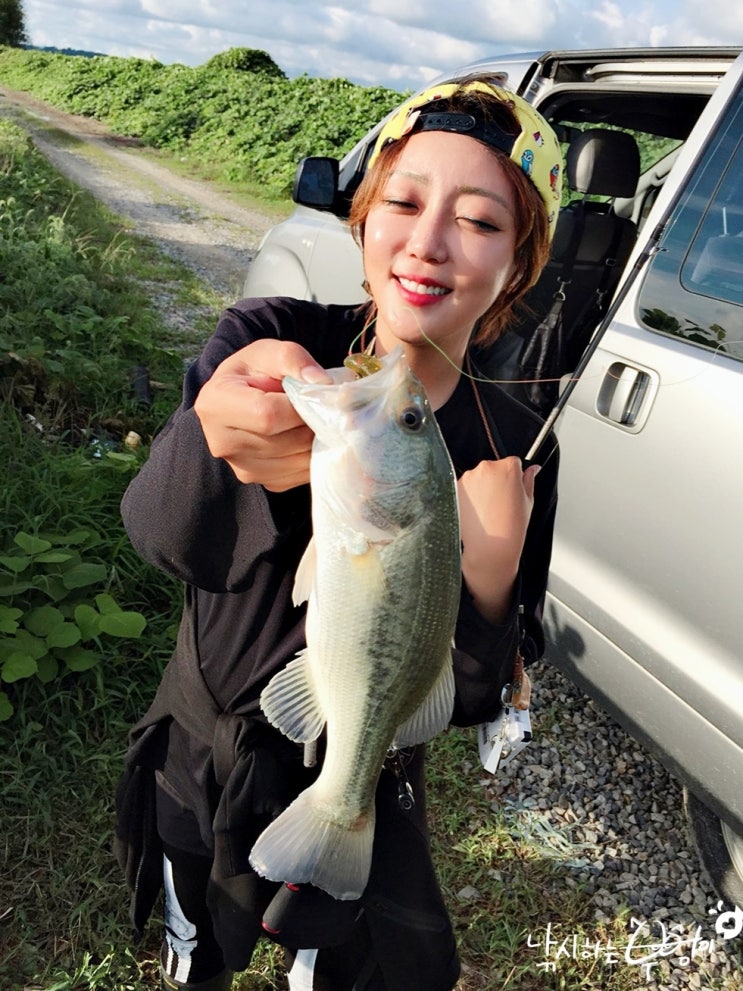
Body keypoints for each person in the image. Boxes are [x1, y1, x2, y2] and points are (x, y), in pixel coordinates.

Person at [114, 77, 563, 991]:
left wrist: (490, 581)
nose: (427, 242)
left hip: (361, 773)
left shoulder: (516, 446)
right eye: (401, 202)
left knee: (330, 966)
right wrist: (211, 439)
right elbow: (159, 536)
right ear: (361, 223)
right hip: (200, 753)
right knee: (195, 948)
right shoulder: (270, 338)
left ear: (517, 266)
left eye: (479, 221)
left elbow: (475, 694)